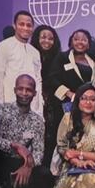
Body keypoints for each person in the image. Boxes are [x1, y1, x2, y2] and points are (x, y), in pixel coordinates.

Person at [0, 74, 50, 188]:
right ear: (15, 90)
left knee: (44, 174)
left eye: (28, 90)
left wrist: (27, 166)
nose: (24, 93)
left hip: (22, 163)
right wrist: (14, 145)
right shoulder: (2, 110)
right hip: (1, 160)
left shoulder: (37, 121)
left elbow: (38, 152)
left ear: (34, 93)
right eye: (20, 89)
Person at [0, 10, 42, 114]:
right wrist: (3, 105)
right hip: (10, 104)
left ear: (32, 28)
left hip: (32, 107)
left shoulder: (35, 52)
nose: (25, 28)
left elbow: (38, 80)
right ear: (14, 26)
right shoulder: (4, 46)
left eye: (29, 25)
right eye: (21, 24)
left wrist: (39, 108)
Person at [30, 25, 63, 167]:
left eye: (51, 38)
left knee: (51, 137)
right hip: (33, 101)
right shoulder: (30, 55)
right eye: (43, 37)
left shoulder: (59, 59)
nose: (47, 41)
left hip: (53, 105)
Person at [48, 29, 95, 107]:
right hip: (67, 103)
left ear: (88, 45)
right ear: (71, 42)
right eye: (76, 39)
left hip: (89, 103)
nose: (80, 42)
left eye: (84, 40)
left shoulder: (94, 60)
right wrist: (70, 94)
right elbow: (52, 79)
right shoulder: (62, 57)